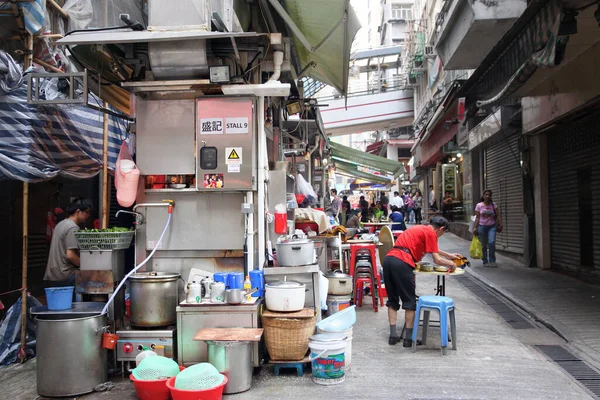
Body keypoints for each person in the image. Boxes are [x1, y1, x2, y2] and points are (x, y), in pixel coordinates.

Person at [384, 216, 462, 347]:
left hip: (389, 260)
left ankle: (393, 336)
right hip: (402, 262)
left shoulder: (420, 228)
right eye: (443, 233)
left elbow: (431, 249)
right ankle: (409, 339)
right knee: (409, 301)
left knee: (392, 299)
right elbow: (437, 260)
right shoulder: (431, 233)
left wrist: (449, 255)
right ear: (441, 229)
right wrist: (451, 264)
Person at [44, 202, 92, 287]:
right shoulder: (73, 228)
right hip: (65, 275)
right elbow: (70, 255)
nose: (88, 215)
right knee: (93, 280)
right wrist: (86, 265)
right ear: (78, 212)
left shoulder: (60, 224)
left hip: (52, 274)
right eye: (87, 212)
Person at [473, 189, 502, 267]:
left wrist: (500, 224)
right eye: (486, 194)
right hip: (482, 226)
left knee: (491, 243)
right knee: (483, 245)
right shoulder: (479, 205)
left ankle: (492, 260)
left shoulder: (493, 205)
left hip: (492, 226)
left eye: (489, 195)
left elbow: (498, 215)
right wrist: (475, 228)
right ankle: (485, 261)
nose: (488, 196)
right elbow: (477, 218)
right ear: (483, 196)